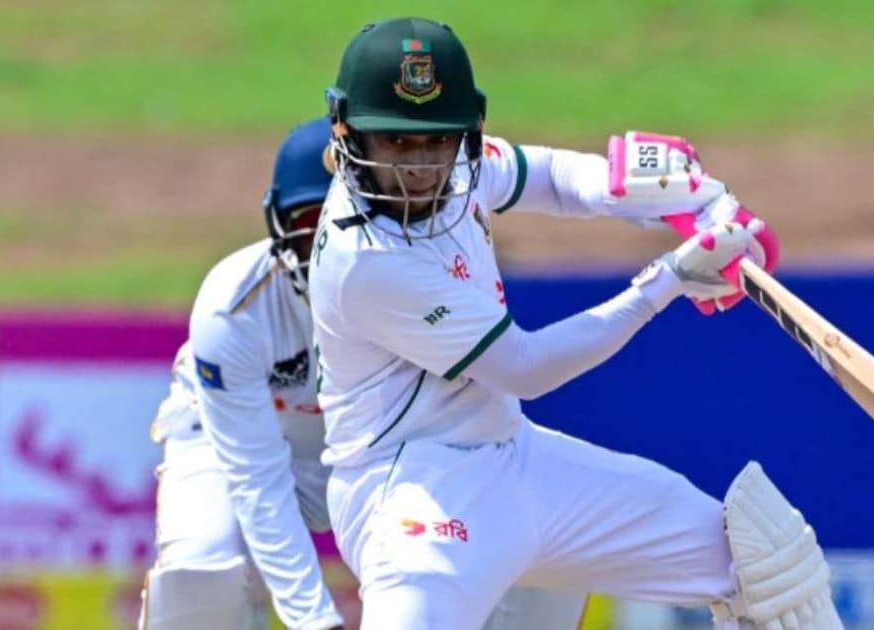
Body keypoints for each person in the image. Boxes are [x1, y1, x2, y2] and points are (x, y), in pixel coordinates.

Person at [309, 17, 844, 630]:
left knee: (764, 563)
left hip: (513, 458)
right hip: (411, 493)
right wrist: (668, 280)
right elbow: (524, 368)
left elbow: (555, 179)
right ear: (347, 132)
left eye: (436, 141)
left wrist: (686, 198)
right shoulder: (366, 263)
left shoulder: (459, 167)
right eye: (396, 143)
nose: (419, 166)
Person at [140, 117, 585, 630]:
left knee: (544, 553)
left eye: (349, 217)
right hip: (241, 447)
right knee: (200, 575)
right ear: (278, 225)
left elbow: (477, 438)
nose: (329, 243)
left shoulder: (432, 288)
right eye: (314, 221)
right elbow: (257, 481)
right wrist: (313, 621)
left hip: (378, 457)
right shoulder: (234, 309)